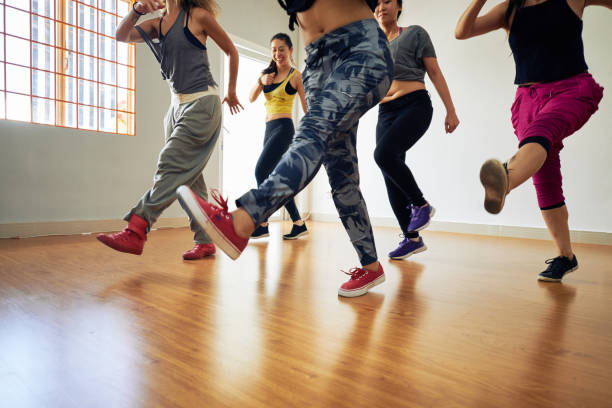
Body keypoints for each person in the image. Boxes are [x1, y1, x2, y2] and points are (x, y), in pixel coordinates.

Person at [177, 0, 394, 297]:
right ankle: (371, 267)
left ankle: (243, 220)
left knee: (313, 129)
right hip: (317, 63)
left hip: (359, 47)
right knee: (340, 171)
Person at [455, 0, 608, 281]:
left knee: (543, 133)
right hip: (528, 99)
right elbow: (462, 32)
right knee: (544, 176)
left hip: (571, 90)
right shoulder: (509, 9)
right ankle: (566, 257)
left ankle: (506, 179)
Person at [97, 0, 243, 260]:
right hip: (176, 109)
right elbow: (121, 35)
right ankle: (205, 240)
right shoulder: (158, 23)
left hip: (202, 104)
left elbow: (232, 50)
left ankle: (137, 229)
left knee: (170, 164)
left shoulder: (198, 16)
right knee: (189, 181)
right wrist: (137, 10)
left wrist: (231, 90)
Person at [374, 0, 460, 260]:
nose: (381, 6)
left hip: (414, 105)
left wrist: (451, 110)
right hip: (385, 112)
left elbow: (433, 71)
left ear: (399, 7)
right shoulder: (372, 46)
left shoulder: (414, 33)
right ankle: (411, 239)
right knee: (389, 173)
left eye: (387, 1)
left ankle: (421, 204)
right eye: (376, 3)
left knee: (383, 155)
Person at [248, 33, 309, 240]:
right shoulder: (268, 74)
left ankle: (263, 222)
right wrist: (260, 80)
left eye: (281, 49)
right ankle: (299, 223)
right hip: (269, 129)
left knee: (260, 172)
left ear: (290, 50)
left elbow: (306, 107)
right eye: (274, 49)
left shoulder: (296, 76)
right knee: (278, 179)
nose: (277, 53)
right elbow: (251, 97)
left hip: (284, 129)